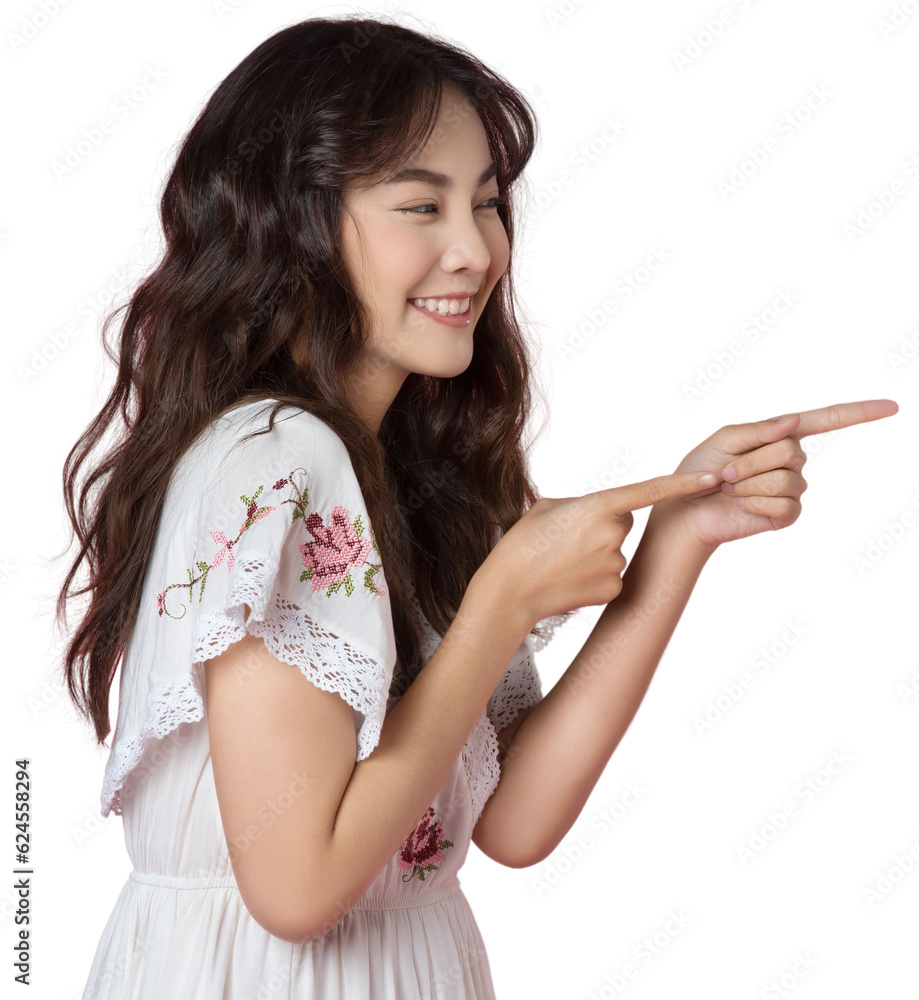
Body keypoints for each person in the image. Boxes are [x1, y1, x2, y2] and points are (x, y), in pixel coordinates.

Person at [56, 13, 897, 999]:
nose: (476, 249)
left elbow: (513, 820)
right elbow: (296, 886)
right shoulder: (277, 459)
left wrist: (679, 542)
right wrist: (504, 597)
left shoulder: (408, 468)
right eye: (422, 206)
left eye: (489, 204)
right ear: (293, 223)